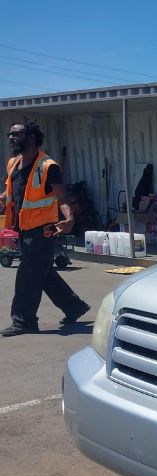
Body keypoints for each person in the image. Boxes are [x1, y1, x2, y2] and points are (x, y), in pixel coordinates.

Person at [1, 121, 89, 337]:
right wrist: (3, 199)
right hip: (23, 228)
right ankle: (73, 307)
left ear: (31, 138)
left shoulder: (49, 167)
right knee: (43, 272)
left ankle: (24, 321)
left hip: (43, 230)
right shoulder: (13, 163)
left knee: (28, 274)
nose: (11, 138)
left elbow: (62, 199)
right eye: (9, 135)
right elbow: (13, 192)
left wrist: (69, 219)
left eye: (16, 134)